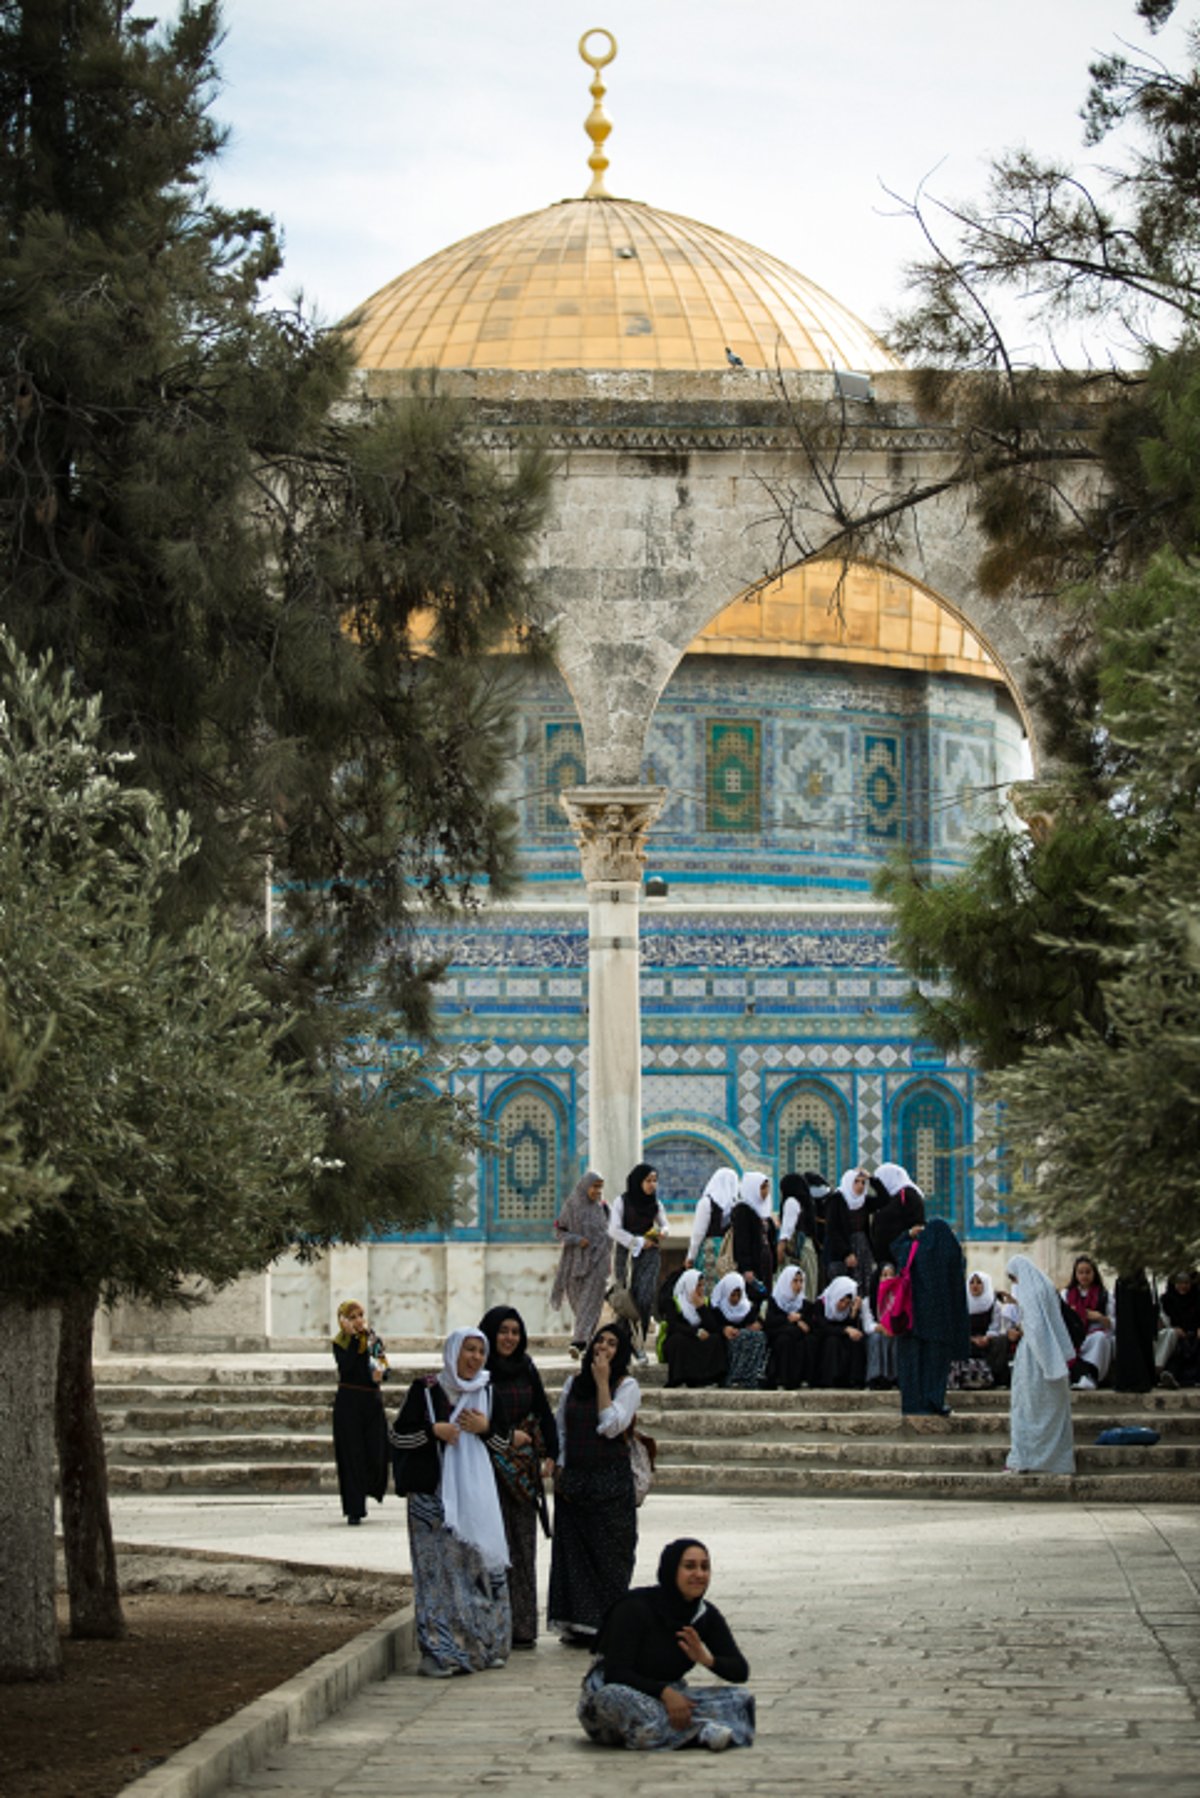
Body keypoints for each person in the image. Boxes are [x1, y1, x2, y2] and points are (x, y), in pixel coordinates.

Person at [389, 1327, 511, 1677]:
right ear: (454, 1352)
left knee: (473, 1575)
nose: (474, 1358)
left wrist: (486, 1428)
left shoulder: (487, 1392)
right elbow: (398, 1436)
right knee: (434, 1578)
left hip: (473, 1502)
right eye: (468, 1350)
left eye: (479, 1351)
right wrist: (433, 1432)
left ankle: (477, 1649)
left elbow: (502, 1445)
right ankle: (440, 1653)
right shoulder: (426, 1390)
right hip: (430, 1500)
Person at [577, 1537, 756, 1754]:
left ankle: (666, 1732)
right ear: (672, 1570)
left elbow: (740, 1671)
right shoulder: (635, 1608)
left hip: (670, 1696)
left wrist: (706, 1659)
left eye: (704, 1567)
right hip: (618, 1703)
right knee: (612, 1696)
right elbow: (616, 1673)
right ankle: (697, 1732)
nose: (699, 1574)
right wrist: (664, 1693)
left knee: (740, 1699)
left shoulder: (703, 1615)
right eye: (689, 1567)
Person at [547, 1323, 641, 1647]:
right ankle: (577, 1624)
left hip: (610, 1484)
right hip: (575, 1482)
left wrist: (603, 1382)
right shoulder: (573, 1384)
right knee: (574, 1557)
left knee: (610, 1557)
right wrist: (558, 1466)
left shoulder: (627, 1386)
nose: (604, 1347)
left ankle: (607, 1624)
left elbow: (610, 1426)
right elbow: (561, 1428)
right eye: (600, 1341)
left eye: (613, 1343)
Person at [477, 1306, 559, 1650]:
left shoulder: (526, 1367)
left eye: (515, 1331)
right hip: (489, 1470)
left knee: (522, 1548)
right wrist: (507, 1438)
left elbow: (542, 1409)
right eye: (503, 1331)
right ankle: (492, 1626)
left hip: (522, 1476)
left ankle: (522, 1628)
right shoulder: (480, 1373)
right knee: (493, 1548)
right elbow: (475, 1421)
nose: (509, 1338)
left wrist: (552, 1452)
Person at [892, 1218, 969, 1423]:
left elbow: (894, 1247)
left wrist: (908, 1233)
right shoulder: (952, 1253)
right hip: (940, 1320)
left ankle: (912, 1404)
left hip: (912, 1319)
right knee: (935, 1364)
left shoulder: (913, 1250)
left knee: (912, 1362)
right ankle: (934, 1401)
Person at [1004, 1254, 1076, 1474]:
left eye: (1014, 1278)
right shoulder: (1045, 1288)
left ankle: (1026, 1460)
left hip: (1034, 1359)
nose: (1015, 1283)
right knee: (1052, 1413)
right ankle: (1056, 1461)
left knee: (1027, 1409)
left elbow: (1035, 1328)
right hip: (1051, 1356)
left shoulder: (1029, 1292)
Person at [331, 1299, 388, 1526]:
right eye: (352, 1317)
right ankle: (355, 1508)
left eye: (360, 1315)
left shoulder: (373, 1340)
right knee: (351, 1453)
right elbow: (346, 1366)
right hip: (349, 1402)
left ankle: (371, 1488)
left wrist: (382, 1373)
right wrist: (355, 1339)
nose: (357, 1321)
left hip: (371, 1401)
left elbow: (383, 1364)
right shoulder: (341, 1343)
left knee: (376, 1449)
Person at [551, 1169, 611, 1357]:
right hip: (575, 1263)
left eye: (600, 1187)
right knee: (580, 1305)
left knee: (589, 1304)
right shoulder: (572, 1206)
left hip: (598, 1263)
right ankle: (589, 1342)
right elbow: (559, 1233)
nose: (597, 1191)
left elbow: (608, 1233)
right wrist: (577, 1240)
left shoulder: (602, 1207)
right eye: (594, 1186)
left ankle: (578, 1343)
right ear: (585, 1185)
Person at [609, 1163, 668, 1351]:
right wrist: (639, 1242)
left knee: (645, 1297)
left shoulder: (655, 1204)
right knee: (627, 1299)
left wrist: (662, 1232)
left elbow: (665, 1224)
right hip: (626, 1254)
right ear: (638, 1181)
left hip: (650, 1255)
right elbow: (614, 1230)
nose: (652, 1185)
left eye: (655, 1181)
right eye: (648, 1181)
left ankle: (638, 1343)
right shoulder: (621, 1202)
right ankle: (621, 1342)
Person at [662, 1268, 727, 1389]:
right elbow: (674, 1325)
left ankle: (710, 1378)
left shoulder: (705, 1301)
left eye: (702, 1285)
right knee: (677, 1340)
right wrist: (695, 1332)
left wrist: (701, 1308)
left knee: (716, 1339)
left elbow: (713, 1327)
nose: (701, 1289)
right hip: (684, 1336)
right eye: (698, 1286)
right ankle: (679, 1378)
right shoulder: (673, 1301)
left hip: (699, 1337)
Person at [1061, 1255, 1115, 1389]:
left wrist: (1100, 1318)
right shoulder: (1066, 1294)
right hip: (1073, 1336)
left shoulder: (1104, 1295)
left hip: (1094, 1335)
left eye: (1088, 1272)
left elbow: (1114, 1322)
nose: (1084, 1276)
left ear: (1094, 1273)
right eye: (1080, 1272)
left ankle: (1090, 1376)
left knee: (1100, 1339)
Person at [712, 1270, 769, 1389]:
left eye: (739, 1295)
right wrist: (724, 1329)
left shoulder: (746, 1306)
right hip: (726, 1342)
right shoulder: (717, 1308)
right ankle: (734, 1377)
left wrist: (757, 1324)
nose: (736, 1299)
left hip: (744, 1338)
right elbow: (712, 1326)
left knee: (759, 1337)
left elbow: (754, 1321)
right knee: (740, 1337)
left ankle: (751, 1376)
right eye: (732, 1295)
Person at [824, 1166, 876, 1295]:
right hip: (843, 1250)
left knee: (864, 1287)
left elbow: (884, 1200)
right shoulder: (837, 1200)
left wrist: (871, 1178)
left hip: (862, 1249)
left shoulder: (863, 1201)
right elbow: (832, 1230)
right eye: (856, 1181)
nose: (860, 1186)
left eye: (863, 1183)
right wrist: (846, 1253)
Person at [812, 1275, 869, 1389]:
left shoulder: (848, 1308)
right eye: (841, 1300)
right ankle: (830, 1380)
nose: (843, 1305)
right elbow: (823, 1327)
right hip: (824, 1337)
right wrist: (844, 1330)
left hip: (842, 1335)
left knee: (856, 1341)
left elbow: (852, 1325)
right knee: (832, 1341)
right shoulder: (821, 1304)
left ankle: (853, 1380)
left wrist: (853, 1312)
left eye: (847, 1303)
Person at [684, 1166, 739, 1283]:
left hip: (708, 1251)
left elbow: (698, 1234)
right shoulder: (737, 1207)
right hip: (728, 1253)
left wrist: (691, 1256)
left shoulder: (706, 1202)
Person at [949, 1271, 1003, 1391]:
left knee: (998, 1343)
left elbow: (995, 1326)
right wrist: (971, 1338)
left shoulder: (994, 1305)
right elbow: (957, 1326)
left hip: (986, 1339)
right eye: (972, 1282)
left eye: (979, 1283)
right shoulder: (961, 1304)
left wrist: (987, 1337)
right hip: (966, 1338)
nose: (975, 1286)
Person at [764, 1264, 814, 1390]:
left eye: (801, 1281)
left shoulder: (803, 1303)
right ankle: (782, 1378)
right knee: (785, 1339)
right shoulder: (775, 1300)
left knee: (806, 1340)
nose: (799, 1285)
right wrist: (792, 1321)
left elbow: (809, 1325)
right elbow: (770, 1322)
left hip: (795, 1335)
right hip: (779, 1334)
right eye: (795, 1281)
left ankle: (800, 1378)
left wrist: (800, 1321)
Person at [777, 1172, 823, 1302]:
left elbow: (788, 1228)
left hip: (797, 1251)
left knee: (793, 1288)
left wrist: (780, 1247)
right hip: (807, 1249)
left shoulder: (791, 1202)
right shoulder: (807, 1204)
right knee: (807, 1289)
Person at [869, 1162, 926, 1267]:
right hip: (885, 1261)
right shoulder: (889, 1199)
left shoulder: (908, 1194)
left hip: (902, 1258)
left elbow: (917, 1225)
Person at [728, 1170, 777, 1288]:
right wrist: (746, 1268)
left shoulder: (764, 1211)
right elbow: (742, 1241)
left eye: (767, 1187)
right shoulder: (743, 1211)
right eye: (762, 1187)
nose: (766, 1191)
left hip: (765, 1263)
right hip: (752, 1267)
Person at [1112, 1272, 1158, 1393]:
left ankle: (1139, 1377)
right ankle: (1132, 1378)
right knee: (1127, 1330)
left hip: (1137, 1282)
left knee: (1138, 1329)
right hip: (1129, 1281)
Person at [1157, 1270, 1200, 1388]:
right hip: (1177, 1333)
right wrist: (1174, 1329)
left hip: (1194, 1333)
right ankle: (1170, 1376)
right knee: (1179, 1347)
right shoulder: (1166, 1300)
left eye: (1186, 1283)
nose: (1183, 1286)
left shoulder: (1196, 1298)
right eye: (1180, 1283)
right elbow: (1163, 1321)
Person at [865, 1261, 899, 1390]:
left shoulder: (899, 1298)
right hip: (878, 1331)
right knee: (876, 1338)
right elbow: (867, 1324)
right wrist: (881, 1328)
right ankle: (876, 1377)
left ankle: (894, 1377)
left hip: (894, 1331)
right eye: (884, 1275)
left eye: (891, 1275)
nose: (888, 1278)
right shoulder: (868, 1301)